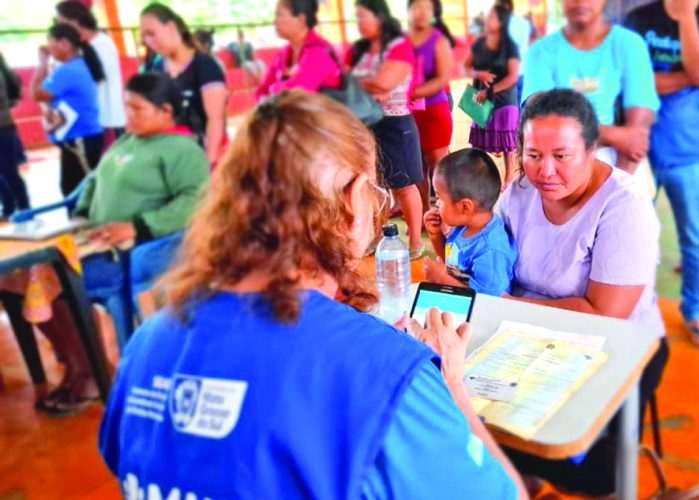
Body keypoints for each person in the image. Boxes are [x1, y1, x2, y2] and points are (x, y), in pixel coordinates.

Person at [99, 91, 528, 499]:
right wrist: (451, 386)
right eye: (375, 195)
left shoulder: (148, 342)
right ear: (350, 200)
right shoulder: (387, 373)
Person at [495, 89, 666, 497]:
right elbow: (489, 257)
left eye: (561, 155)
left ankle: (542, 476)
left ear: (591, 150)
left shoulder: (624, 205)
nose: (545, 171)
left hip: (620, 345)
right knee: (477, 411)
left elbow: (604, 317)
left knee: (588, 466)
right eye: (533, 155)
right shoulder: (519, 192)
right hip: (527, 335)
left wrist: (506, 306)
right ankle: (519, 479)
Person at [33, 72, 210, 415]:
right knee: (22, 277)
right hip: (93, 241)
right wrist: (81, 215)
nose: (128, 115)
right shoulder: (126, 142)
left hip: (129, 255)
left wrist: (137, 226)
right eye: (126, 107)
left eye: (137, 108)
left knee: (50, 282)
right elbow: (94, 181)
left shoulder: (183, 150)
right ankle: (82, 364)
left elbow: (195, 201)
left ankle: (87, 373)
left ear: (166, 110)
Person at [623, 0, 699, 349]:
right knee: (629, 236)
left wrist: (686, 15)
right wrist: (696, 77)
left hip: (690, 148)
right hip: (638, 145)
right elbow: (632, 81)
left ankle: (695, 311)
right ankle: (634, 310)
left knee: (695, 238)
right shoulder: (639, 17)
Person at [522, 0, 659, 173]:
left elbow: (635, 137)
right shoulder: (541, 51)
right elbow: (539, 118)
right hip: (556, 164)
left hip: (617, 160)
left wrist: (619, 180)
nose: (580, 2)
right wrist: (614, 135)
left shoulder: (630, 45)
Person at [349, 0, 426, 258]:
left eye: (363, 16)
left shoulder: (399, 46)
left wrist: (357, 83)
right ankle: (378, 235)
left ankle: (415, 240)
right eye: (357, 17)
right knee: (374, 186)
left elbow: (384, 84)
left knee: (404, 185)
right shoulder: (363, 51)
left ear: (379, 17)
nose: (359, 23)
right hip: (368, 125)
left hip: (395, 124)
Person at [140, 3, 228, 166]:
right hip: (174, 159)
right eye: (145, 36)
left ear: (171, 28)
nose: (149, 41)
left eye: (152, 33)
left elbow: (215, 121)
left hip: (205, 156)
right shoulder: (156, 69)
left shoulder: (205, 66)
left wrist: (208, 165)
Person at [423, 148, 516, 297]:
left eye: (440, 198)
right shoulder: (465, 227)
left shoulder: (491, 250)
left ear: (465, 207)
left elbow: (489, 300)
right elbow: (452, 262)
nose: (437, 204)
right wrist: (436, 235)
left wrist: (442, 279)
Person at [30, 23, 105, 197]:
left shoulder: (68, 70)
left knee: (82, 191)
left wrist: (42, 63)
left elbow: (37, 94)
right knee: (73, 189)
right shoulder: (75, 66)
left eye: (51, 42)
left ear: (64, 43)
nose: (48, 48)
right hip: (79, 138)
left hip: (81, 138)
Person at [464, 5, 521, 187]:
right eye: (488, 17)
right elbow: (465, 68)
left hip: (504, 100)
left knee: (508, 145)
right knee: (478, 143)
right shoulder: (479, 42)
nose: (488, 20)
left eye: (492, 17)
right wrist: (478, 74)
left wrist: (489, 91)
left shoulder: (510, 46)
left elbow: (512, 77)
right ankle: (477, 177)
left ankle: (508, 180)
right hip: (479, 98)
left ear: (502, 22)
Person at [55, 1, 127, 142]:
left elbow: (89, 80)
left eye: (60, 22)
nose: (59, 28)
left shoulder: (101, 44)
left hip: (106, 120)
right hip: (90, 121)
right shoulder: (82, 46)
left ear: (74, 21)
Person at [407, 0, 455, 211]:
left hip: (434, 112)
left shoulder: (438, 41)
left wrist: (411, 92)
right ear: (409, 10)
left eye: (427, 8)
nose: (422, 12)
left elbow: (442, 78)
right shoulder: (400, 41)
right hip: (407, 113)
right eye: (417, 7)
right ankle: (424, 212)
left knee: (439, 167)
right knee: (416, 168)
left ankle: (448, 214)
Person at [256, 0, 342, 101]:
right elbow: (261, 92)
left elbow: (295, 94)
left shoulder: (320, 54)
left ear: (301, 20)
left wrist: (273, 89)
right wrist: (276, 89)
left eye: (279, 15)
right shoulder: (282, 55)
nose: (274, 22)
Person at [0, 51, 30, 218]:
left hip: (3, 127)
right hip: (6, 125)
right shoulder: (4, 70)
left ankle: (23, 207)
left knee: (8, 171)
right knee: (7, 171)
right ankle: (10, 206)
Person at [496, 0, 534, 106]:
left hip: (508, 74)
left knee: (509, 108)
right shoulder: (524, 22)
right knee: (521, 106)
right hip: (522, 71)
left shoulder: (504, 23)